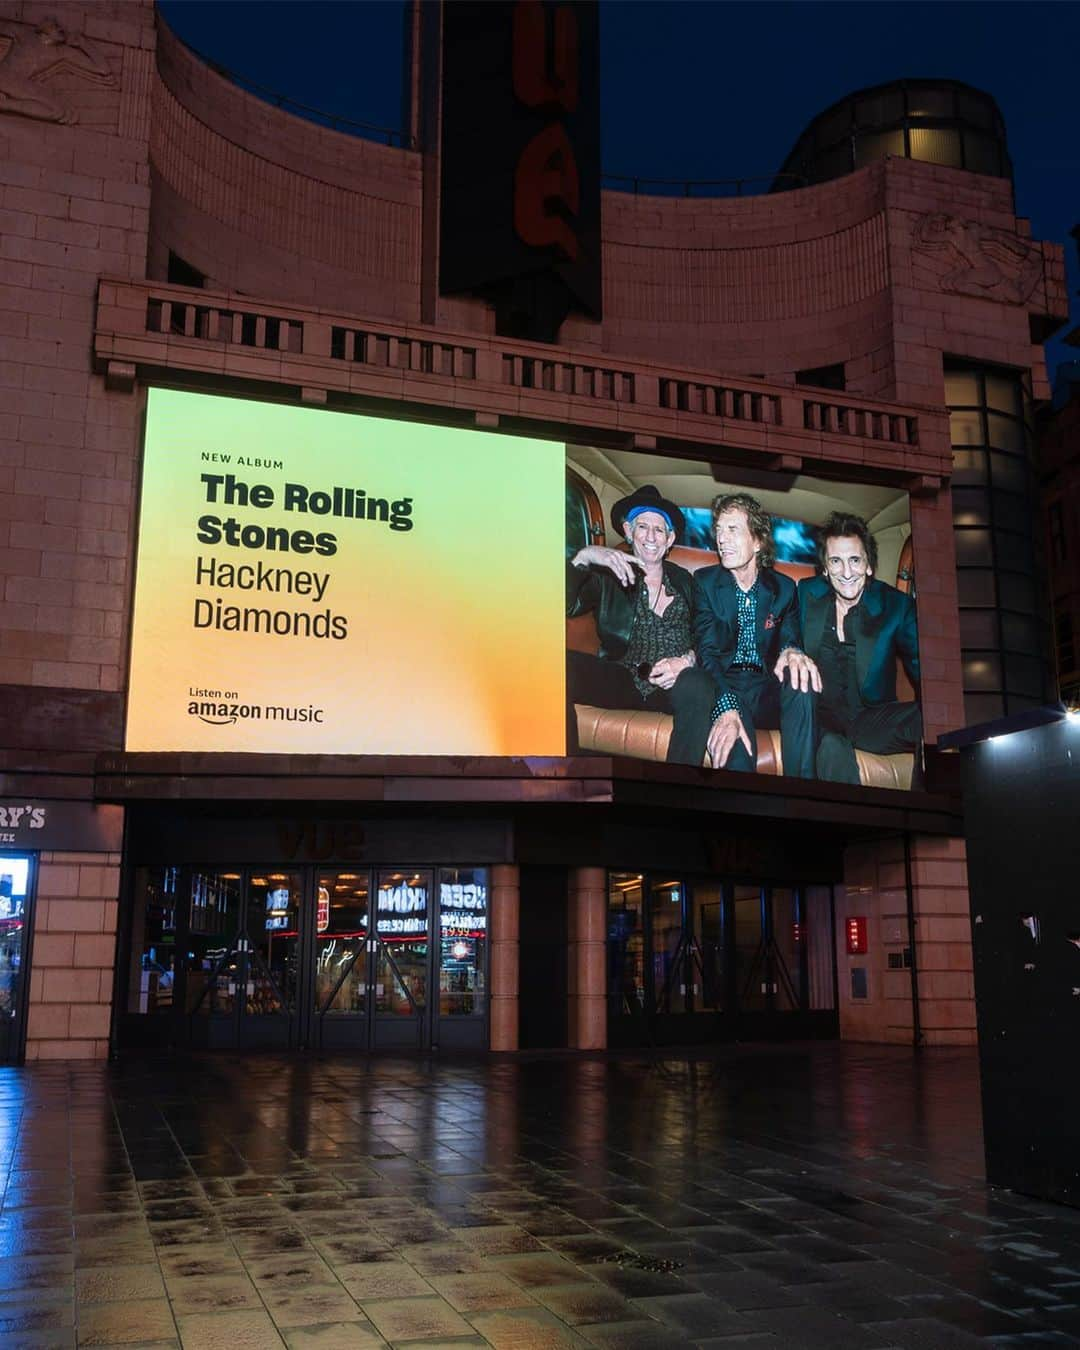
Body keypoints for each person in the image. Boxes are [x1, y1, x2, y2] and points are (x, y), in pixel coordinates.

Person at [567, 484, 717, 765]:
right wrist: (584, 556)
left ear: (670, 538)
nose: (651, 536)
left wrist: (687, 660)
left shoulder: (687, 581)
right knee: (554, 665)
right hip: (623, 678)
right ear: (628, 531)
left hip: (675, 684)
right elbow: (564, 605)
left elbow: (708, 635)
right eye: (642, 526)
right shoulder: (606, 576)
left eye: (659, 530)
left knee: (698, 683)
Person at [693, 493, 819, 776]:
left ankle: (804, 794)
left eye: (732, 530)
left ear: (758, 541)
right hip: (724, 683)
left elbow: (790, 637)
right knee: (735, 749)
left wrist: (792, 651)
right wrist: (726, 705)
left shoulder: (784, 589)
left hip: (765, 687)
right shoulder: (704, 583)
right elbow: (707, 653)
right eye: (718, 530)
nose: (721, 540)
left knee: (802, 680)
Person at [796, 511, 921, 785]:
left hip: (871, 718)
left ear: (868, 565)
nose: (847, 572)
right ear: (825, 569)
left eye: (855, 560)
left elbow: (925, 669)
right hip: (821, 718)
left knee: (930, 719)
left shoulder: (896, 606)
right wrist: (791, 651)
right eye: (836, 562)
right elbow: (783, 635)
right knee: (830, 750)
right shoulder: (806, 594)